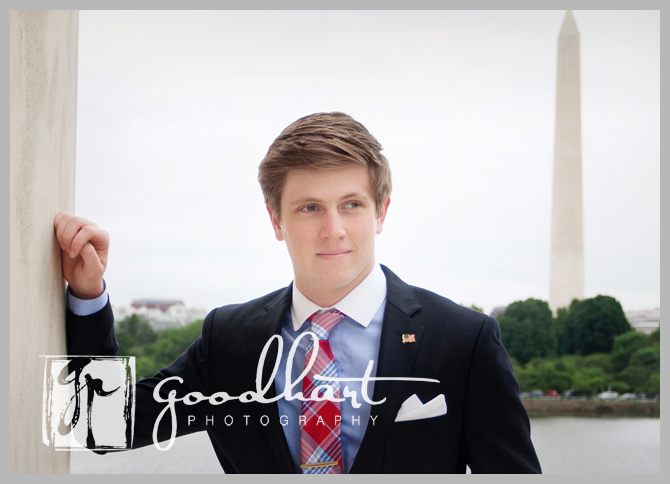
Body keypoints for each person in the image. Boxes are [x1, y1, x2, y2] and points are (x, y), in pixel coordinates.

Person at [57, 112, 541, 474]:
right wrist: (87, 294)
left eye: (351, 204)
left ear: (381, 213)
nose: (334, 230)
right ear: (276, 220)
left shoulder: (463, 339)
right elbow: (97, 425)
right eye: (310, 207)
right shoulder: (230, 340)